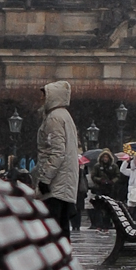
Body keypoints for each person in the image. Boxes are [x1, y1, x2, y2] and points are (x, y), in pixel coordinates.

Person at [35, 80, 79, 241]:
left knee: (54, 230)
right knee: (62, 229)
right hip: (64, 183)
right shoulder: (65, 116)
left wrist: (45, 179)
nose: (41, 99)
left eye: (44, 95)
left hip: (57, 184)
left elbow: (57, 152)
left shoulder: (54, 118)